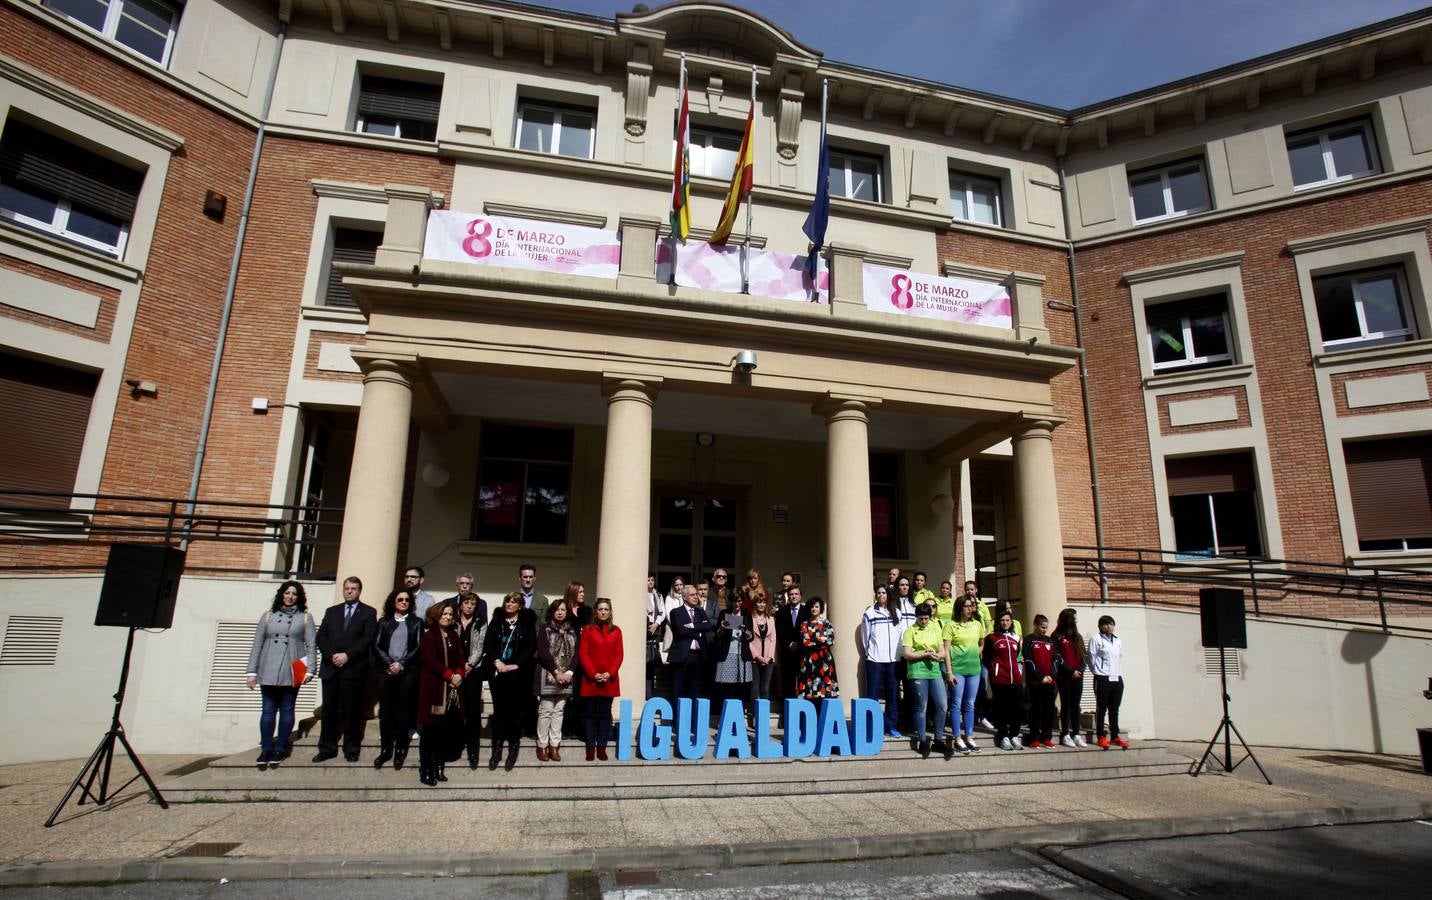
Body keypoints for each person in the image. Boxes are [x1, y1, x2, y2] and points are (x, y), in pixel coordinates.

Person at [245, 580, 315, 768]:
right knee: (268, 709)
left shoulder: (305, 618)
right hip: (269, 664)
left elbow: (311, 645)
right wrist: (251, 671)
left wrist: (310, 669)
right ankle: (266, 748)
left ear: (299, 597)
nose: (290, 597)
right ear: (281, 594)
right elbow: (257, 644)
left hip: (295, 666)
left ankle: (281, 747)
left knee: (287, 708)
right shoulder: (268, 616)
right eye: (287, 593)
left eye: (294, 594)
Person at [313, 576, 377, 763]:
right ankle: (327, 748)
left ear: (359, 591)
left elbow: (368, 638)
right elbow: (321, 636)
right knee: (329, 711)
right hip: (331, 668)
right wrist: (332, 654)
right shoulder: (332, 611)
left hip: (353, 669)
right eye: (347, 588)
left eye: (353, 588)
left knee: (352, 711)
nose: (349, 591)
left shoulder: (368, 612)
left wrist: (347, 655)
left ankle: (351, 748)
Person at [483, 591, 536, 770]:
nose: (509, 604)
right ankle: (497, 750)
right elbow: (488, 643)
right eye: (507, 601)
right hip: (498, 673)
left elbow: (530, 646)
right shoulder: (497, 620)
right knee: (499, 713)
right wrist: (496, 660)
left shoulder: (526, 623)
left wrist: (517, 664)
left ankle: (513, 748)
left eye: (513, 602)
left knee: (515, 713)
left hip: (517, 674)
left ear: (520, 606)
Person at [372, 588, 421, 770]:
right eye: (400, 599)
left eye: (407, 600)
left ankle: (400, 749)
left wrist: (401, 664)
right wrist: (389, 663)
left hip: (407, 672)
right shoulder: (384, 622)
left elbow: (417, 647)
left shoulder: (416, 622)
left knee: (403, 711)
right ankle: (386, 749)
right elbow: (376, 646)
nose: (404, 602)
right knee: (386, 711)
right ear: (393, 602)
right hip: (385, 672)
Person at [416, 602, 464, 786]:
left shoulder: (454, 635)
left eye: (450, 614)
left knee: (444, 732)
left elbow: (460, 658)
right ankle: (426, 769)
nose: (448, 617)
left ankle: (439, 767)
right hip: (434, 690)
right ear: (437, 615)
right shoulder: (429, 636)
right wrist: (449, 675)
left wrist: (459, 674)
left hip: (451, 690)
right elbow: (429, 660)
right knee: (430, 732)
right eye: (444, 613)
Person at [901, 602, 950, 759]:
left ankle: (938, 739)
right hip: (917, 672)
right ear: (916, 617)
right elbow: (907, 654)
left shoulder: (935, 628)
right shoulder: (910, 631)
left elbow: (943, 652)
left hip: (934, 671)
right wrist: (924, 653)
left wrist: (936, 655)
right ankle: (922, 740)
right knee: (921, 706)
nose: (923, 621)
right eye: (921, 618)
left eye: (926, 618)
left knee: (942, 705)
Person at [577, 597, 622, 760]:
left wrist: (610, 673)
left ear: (610, 612)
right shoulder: (588, 629)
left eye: (606, 609)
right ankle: (590, 747)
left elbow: (619, 655)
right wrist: (593, 673)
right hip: (591, 680)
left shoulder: (616, 631)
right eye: (600, 609)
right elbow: (583, 654)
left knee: (605, 714)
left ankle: (602, 747)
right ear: (596, 612)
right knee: (590, 714)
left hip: (609, 680)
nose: (603, 612)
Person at [534, 599, 577, 762]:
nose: (560, 612)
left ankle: (554, 745)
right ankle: (542, 745)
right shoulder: (545, 629)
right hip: (548, 674)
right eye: (557, 609)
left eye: (563, 610)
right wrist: (556, 671)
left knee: (559, 711)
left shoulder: (572, 631)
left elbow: (576, 654)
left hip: (566, 677)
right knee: (546, 710)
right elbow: (543, 652)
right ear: (552, 612)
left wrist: (570, 672)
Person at [861, 585, 906, 739]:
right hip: (875, 660)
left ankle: (891, 726)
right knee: (872, 695)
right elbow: (865, 637)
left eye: (884, 593)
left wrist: (899, 655)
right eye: (879, 593)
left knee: (892, 694)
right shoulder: (869, 613)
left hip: (893, 660)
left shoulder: (897, 613)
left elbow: (901, 635)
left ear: (888, 595)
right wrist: (870, 653)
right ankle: (872, 727)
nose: (881, 595)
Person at [943, 594, 984, 753]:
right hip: (957, 670)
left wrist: (973, 654)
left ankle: (969, 737)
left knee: (970, 704)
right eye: (966, 606)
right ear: (959, 608)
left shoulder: (977, 624)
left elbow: (981, 644)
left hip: (974, 670)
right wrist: (949, 672)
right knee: (956, 703)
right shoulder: (950, 625)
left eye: (971, 606)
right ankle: (957, 738)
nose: (970, 609)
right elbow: (946, 650)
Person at [454, 588, 488, 768]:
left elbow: (480, 646)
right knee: (456, 708)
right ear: (461, 605)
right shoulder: (453, 622)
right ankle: (457, 742)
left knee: (473, 710)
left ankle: (473, 749)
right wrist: (459, 667)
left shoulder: (480, 623)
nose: (469, 606)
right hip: (455, 672)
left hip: (474, 671)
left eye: (472, 604)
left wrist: (470, 664)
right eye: (466, 603)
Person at [983, 609, 1025, 751]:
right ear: (998, 622)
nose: (1005, 623)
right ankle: (1003, 736)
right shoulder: (991, 638)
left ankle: (1014, 735)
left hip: (1015, 678)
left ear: (1011, 622)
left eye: (1007, 620)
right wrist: (995, 670)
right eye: (1002, 620)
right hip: (999, 678)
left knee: (1017, 708)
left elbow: (1017, 655)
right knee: (1001, 708)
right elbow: (987, 658)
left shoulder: (1016, 638)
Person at [667, 584, 713, 702]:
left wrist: (692, 626)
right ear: (684, 597)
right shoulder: (676, 612)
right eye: (692, 595)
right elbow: (680, 631)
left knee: (696, 691)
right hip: (682, 657)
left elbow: (708, 626)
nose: (696, 597)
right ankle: (677, 714)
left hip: (698, 657)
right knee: (678, 691)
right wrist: (699, 631)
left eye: (696, 594)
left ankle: (693, 714)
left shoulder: (700, 611)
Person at [1087, 614, 1127, 749]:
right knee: (1101, 708)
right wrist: (1097, 672)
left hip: (1116, 676)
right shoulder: (1096, 639)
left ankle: (1115, 736)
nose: (1109, 626)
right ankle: (1101, 736)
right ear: (1100, 626)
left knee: (1114, 709)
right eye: (1106, 624)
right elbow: (1091, 658)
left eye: (1111, 624)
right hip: (1102, 677)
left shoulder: (1118, 640)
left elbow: (1119, 657)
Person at [712, 588, 753, 717]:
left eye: (739, 601)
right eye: (734, 601)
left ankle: (739, 715)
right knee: (726, 687)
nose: (737, 604)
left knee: (741, 686)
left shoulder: (746, 614)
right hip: (727, 653)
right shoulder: (724, 613)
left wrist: (745, 630)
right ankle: (725, 715)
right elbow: (718, 635)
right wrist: (722, 628)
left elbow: (751, 637)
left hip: (742, 655)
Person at [1052, 607, 1087, 748]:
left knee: (1075, 705)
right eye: (1073, 618)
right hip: (1064, 676)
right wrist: (1070, 671)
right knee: (1066, 705)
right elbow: (1057, 656)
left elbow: (1083, 656)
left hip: (1078, 677)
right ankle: (1065, 733)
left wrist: (1080, 670)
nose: (1075, 621)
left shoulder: (1077, 637)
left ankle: (1076, 734)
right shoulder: (1056, 636)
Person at [1022, 614, 1059, 749]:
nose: (1044, 630)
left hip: (1050, 682)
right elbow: (1029, 660)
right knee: (1036, 710)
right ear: (1036, 626)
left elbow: (1056, 660)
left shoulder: (1050, 641)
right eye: (1042, 627)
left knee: (1049, 711)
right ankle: (1034, 738)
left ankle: (1047, 737)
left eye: (1046, 628)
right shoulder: (1029, 640)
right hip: (1035, 683)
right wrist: (1040, 677)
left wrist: (1051, 676)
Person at [796, 597, 838, 699]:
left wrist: (813, 639)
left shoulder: (826, 623)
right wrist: (821, 639)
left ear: (821, 608)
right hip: (809, 657)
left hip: (824, 658)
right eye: (812, 607)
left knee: (825, 685)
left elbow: (831, 640)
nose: (814, 609)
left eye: (816, 606)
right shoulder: (805, 624)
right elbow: (805, 642)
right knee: (809, 684)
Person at [775, 583, 807, 702]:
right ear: (788, 596)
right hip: (787, 653)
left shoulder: (807, 611)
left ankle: (802, 708)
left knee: (803, 682)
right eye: (791, 594)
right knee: (787, 684)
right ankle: (788, 709)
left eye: (796, 594)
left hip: (802, 652)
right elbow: (779, 631)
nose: (794, 596)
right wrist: (789, 644)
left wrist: (799, 644)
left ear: (801, 596)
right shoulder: (781, 612)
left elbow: (808, 631)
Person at [748, 594, 777, 714]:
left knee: (765, 688)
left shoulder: (771, 619)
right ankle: (754, 715)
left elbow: (773, 639)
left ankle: (763, 715)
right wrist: (758, 657)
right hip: (754, 659)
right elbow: (748, 640)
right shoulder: (750, 618)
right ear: (755, 604)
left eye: (764, 602)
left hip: (768, 659)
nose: (762, 605)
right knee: (755, 688)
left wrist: (770, 657)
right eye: (759, 602)